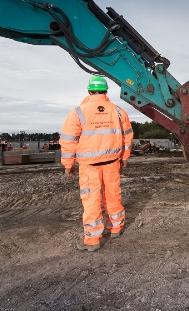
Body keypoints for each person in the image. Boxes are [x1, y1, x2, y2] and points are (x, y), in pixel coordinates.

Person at [59, 76, 133, 252]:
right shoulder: (119, 111)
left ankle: (92, 241)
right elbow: (127, 137)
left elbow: (69, 141)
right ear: (106, 91)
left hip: (89, 165)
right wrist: (124, 158)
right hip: (112, 162)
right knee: (113, 194)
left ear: (89, 91)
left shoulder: (78, 112)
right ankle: (116, 228)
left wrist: (68, 165)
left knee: (91, 200)